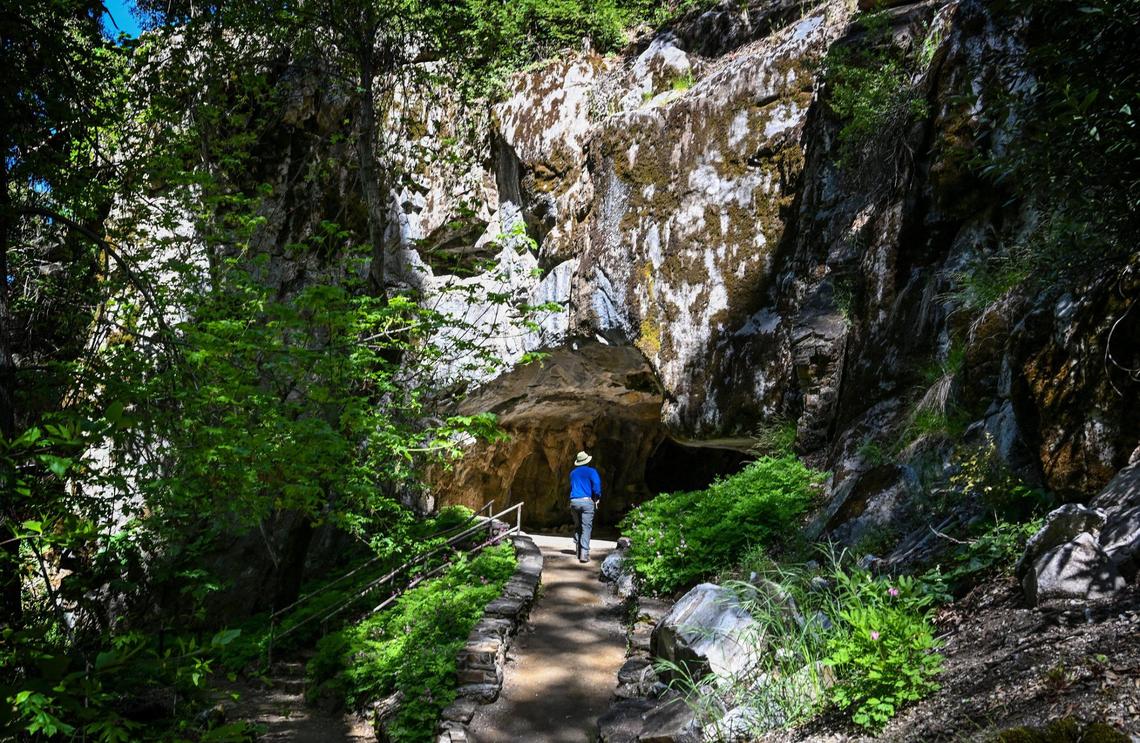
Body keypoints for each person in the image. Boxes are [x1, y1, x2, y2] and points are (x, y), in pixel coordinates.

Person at [569, 450, 601, 563]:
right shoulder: (592, 472)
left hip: (574, 502)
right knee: (586, 528)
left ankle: (578, 551)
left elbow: (572, 486)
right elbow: (596, 485)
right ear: (587, 461)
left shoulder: (572, 473)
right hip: (587, 502)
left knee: (577, 526)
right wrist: (597, 497)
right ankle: (584, 553)